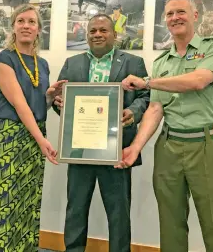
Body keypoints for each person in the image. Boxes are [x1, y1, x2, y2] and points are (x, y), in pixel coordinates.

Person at [117, 0, 213, 251]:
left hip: (208, 144)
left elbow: (197, 81)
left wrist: (147, 82)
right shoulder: (161, 63)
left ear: (195, 14)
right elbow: (155, 109)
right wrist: (135, 147)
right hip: (169, 145)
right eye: (169, 13)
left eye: (181, 11)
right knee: (170, 221)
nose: (175, 17)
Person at [53, 14, 150, 252]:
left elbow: (146, 97)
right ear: (86, 35)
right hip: (79, 149)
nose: (97, 34)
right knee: (75, 208)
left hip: (116, 151)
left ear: (114, 35)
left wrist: (132, 112)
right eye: (93, 30)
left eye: (103, 30)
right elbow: (60, 101)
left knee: (118, 211)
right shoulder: (71, 63)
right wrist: (59, 104)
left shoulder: (133, 63)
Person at [0, 4, 63, 252]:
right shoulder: (3, 59)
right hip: (9, 135)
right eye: (21, 21)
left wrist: (51, 97)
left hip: (34, 134)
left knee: (27, 200)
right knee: (4, 200)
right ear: (13, 27)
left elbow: (37, 106)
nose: (26, 25)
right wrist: (42, 141)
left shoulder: (43, 64)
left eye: (31, 22)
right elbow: (19, 105)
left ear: (39, 29)